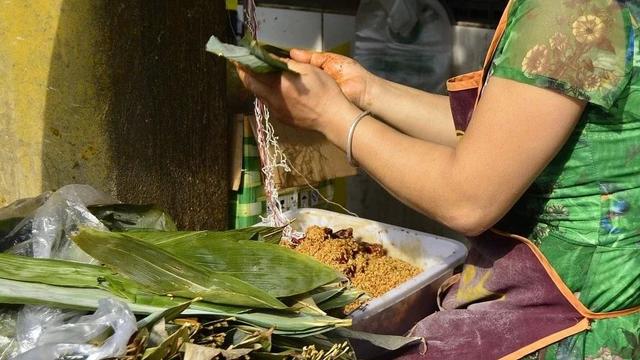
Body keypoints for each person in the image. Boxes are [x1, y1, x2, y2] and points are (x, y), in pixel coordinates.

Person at [237, 0, 640, 358]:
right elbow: (502, 137)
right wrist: (367, 91)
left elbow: (467, 199)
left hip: (566, 323)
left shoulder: (567, 10)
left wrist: (329, 115)